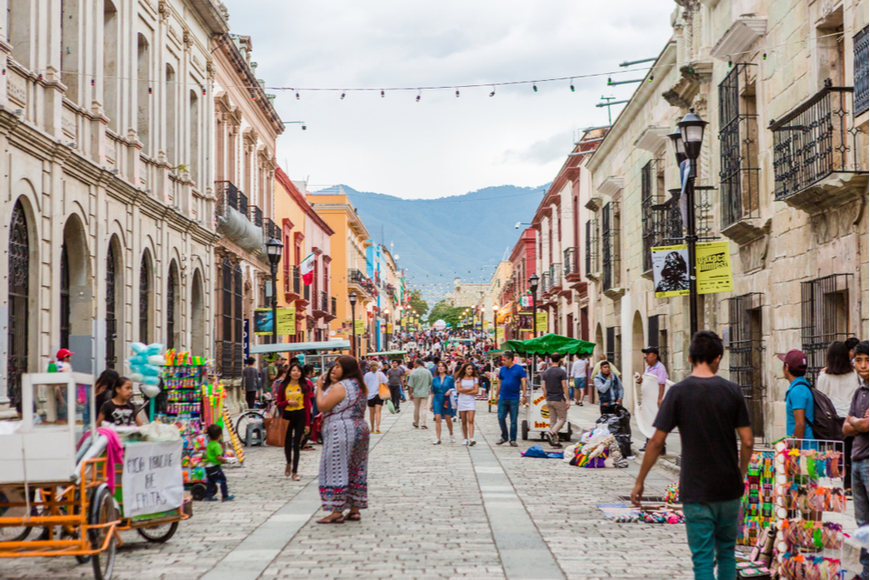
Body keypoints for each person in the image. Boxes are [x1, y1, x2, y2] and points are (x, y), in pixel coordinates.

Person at [632, 331, 753, 580]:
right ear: (718, 358)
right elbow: (748, 441)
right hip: (728, 489)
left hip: (696, 489)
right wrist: (739, 474)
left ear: (689, 358)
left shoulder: (679, 393)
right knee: (727, 554)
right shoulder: (732, 390)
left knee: (702, 559)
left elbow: (656, 441)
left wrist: (640, 480)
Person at [316, 356, 369, 524]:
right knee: (357, 468)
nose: (334, 369)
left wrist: (318, 387)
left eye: (338, 366)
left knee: (336, 467)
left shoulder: (342, 386)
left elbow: (323, 405)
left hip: (341, 430)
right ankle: (354, 509)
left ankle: (336, 510)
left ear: (347, 368)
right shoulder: (358, 385)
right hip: (360, 428)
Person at [817, 341, 860, 491]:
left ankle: (844, 482)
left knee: (839, 452)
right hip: (852, 418)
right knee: (852, 451)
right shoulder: (855, 375)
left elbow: (821, 397)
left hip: (834, 419)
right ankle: (851, 483)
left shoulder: (823, 376)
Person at [843, 341, 868, 580]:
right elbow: (845, 427)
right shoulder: (859, 392)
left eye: (867, 360)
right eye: (858, 360)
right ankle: (865, 571)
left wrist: (856, 422)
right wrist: (859, 423)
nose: (862, 365)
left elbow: (860, 424)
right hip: (857, 459)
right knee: (862, 522)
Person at [276, 362, 311, 480]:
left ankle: (295, 472)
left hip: (300, 415)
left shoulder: (304, 386)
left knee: (296, 444)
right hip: (287, 415)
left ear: (301, 373)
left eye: (298, 371)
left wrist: (307, 423)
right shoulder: (283, 386)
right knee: (287, 443)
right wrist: (288, 402)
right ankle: (288, 462)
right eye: (294, 370)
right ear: (289, 373)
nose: (296, 373)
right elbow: (278, 403)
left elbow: (306, 405)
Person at [637, 346, 669, 453]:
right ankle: (648, 443)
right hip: (647, 401)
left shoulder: (660, 368)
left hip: (654, 401)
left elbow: (662, 383)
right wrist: (640, 380)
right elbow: (648, 382)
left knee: (655, 421)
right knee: (649, 421)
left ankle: (660, 446)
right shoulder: (648, 368)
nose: (646, 357)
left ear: (655, 356)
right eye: (645, 355)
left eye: (648, 354)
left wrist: (660, 398)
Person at [779, 349, 814, 439]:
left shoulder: (797, 390)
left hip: (804, 449)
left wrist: (795, 448)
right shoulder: (802, 386)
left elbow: (800, 424)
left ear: (786, 367)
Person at [497, 351, 528, 447]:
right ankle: (505, 436)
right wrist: (496, 395)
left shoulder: (519, 369)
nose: (503, 362)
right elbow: (499, 382)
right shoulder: (502, 369)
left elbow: (524, 381)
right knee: (501, 417)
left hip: (514, 398)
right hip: (503, 397)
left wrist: (524, 394)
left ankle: (513, 439)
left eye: (505, 360)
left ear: (510, 359)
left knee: (513, 419)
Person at [542, 353, 569, 448]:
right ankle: (552, 433)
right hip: (558, 398)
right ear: (560, 360)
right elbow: (564, 386)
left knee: (553, 420)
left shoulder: (546, 372)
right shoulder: (561, 372)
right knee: (562, 419)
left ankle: (555, 442)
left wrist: (546, 395)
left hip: (549, 399)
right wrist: (568, 400)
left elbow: (543, 387)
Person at [203, 424, 234, 502]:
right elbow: (218, 457)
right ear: (220, 435)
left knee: (211, 481)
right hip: (214, 467)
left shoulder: (209, 444)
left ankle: (208, 496)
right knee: (223, 480)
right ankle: (225, 496)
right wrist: (226, 460)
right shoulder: (217, 446)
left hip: (208, 467)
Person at [430, 361, 456, 444]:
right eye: (439, 366)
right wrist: (431, 403)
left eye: (442, 366)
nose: (440, 368)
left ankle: (451, 434)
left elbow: (453, 389)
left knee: (448, 419)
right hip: (437, 399)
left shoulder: (450, 379)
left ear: (445, 368)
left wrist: (450, 391)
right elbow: (433, 391)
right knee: (437, 419)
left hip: (446, 400)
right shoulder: (434, 379)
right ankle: (438, 437)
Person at [454, 362, 479, 446]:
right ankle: (465, 438)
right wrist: (469, 390)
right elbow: (459, 389)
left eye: (471, 369)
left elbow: (476, 391)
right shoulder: (459, 379)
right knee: (463, 421)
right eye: (468, 369)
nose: (470, 370)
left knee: (471, 420)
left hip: (471, 401)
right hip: (462, 400)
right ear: (464, 369)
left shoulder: (474, 379)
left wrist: (465, 390)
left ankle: (471, 438)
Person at [363, 362, 387, 434]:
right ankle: (377, 427)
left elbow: (364, 385)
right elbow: (386, 383)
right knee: (378, 412)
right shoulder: (381, 374)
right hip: (379, 395)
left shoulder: (366, 375)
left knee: (371, 413)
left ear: (370, 367)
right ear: (378, 367)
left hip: (370, 396)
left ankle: (372, 428)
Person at [408, 360, 433, 430]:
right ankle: (423, 424)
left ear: (418, 364)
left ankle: (416, 422)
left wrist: (410, 393)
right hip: (425, 393)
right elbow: (432, 382)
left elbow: (410, 385)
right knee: (424, 408)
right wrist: (431, 390)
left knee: (416, 408)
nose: (414, 365)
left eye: (415, 364)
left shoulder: (413, 372)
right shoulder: (427, 372)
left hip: (416, 393)